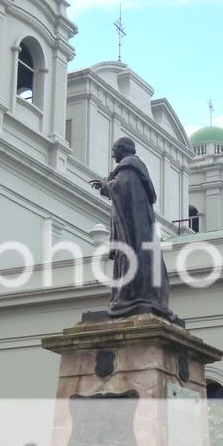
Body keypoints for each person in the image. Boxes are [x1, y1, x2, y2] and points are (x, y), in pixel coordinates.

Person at [90, 137, 180, 324]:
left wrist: (106, 185)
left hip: (131, 230)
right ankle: (129, 296)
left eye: (114, 149)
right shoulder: (134, 169)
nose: (112, 153)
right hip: (136, 226)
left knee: (130, 258)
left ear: (122, 150)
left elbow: (121, 189)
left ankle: (129, 297)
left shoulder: (129, 167)